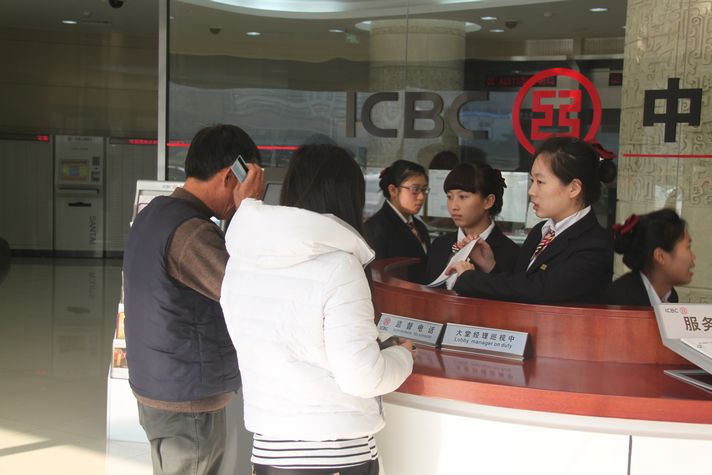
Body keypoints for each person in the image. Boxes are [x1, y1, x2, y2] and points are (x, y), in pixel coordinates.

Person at [221, 144, 414, 475]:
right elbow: (362, 377)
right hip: (336, 454)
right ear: (347, 198)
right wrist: (403, 355)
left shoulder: (241, 261)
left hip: (269, 452)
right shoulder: (340, 265)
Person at [123, 124, 264, 475]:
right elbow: (247, 293)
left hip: (159, 383)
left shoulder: (154, 213)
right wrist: (250, 210)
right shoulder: (193, 232)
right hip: (187, 397)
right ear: (229, 177)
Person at [447, 136, 615, 304]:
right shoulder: (541, 231)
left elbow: (537, 290)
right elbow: (519, 286)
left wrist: (470, 278)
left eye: (540, 182)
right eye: (532, 181)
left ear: (573, 188)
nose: (531, 191)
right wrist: (490, 266)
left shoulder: (595, 244)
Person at [425, 162, 520, 283]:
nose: (454, 206)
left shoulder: (511, 253)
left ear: (488, 201)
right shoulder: (439, 245)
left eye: (463, 197)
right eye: (449, 197)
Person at [604, 209, 695, 306]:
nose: (693, 257)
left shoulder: (671, 296)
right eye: (688, 247)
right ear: (660, 256)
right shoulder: (621, 300)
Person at [364, 159, 431, 282]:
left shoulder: (420, 226)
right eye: (415, 189)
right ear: (393, 190)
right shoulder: (377, 228)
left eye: (424, 190)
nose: (421, 197)